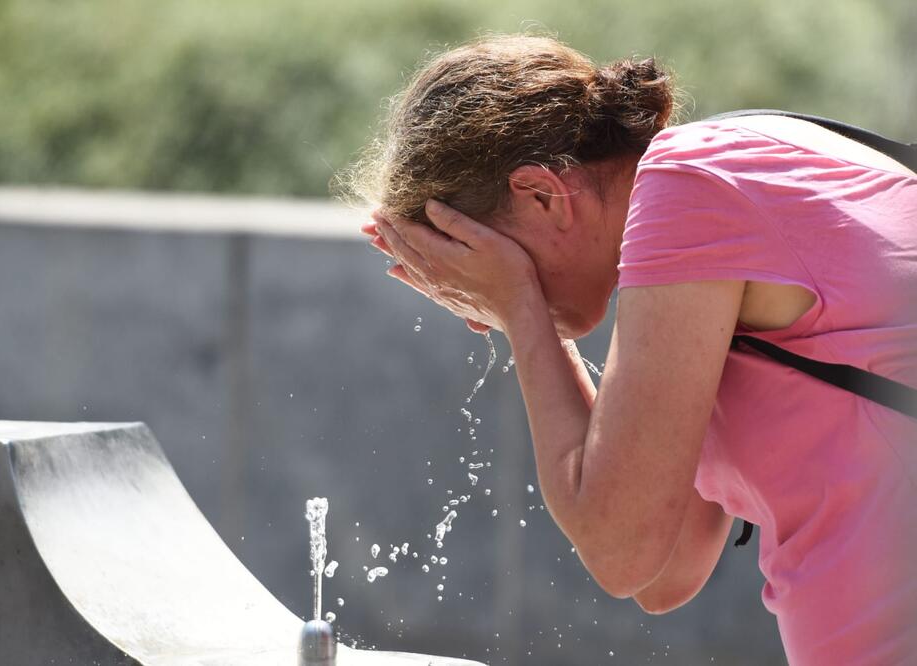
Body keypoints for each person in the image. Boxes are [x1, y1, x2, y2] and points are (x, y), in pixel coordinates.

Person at [349, 34, 917, 665]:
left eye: (480, 262)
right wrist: (521, 313)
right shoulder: (729, 188)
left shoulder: (690, 184)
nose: (476, 299)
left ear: (541, 194)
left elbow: (621, 551)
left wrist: (521, 309)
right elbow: (665, 571)